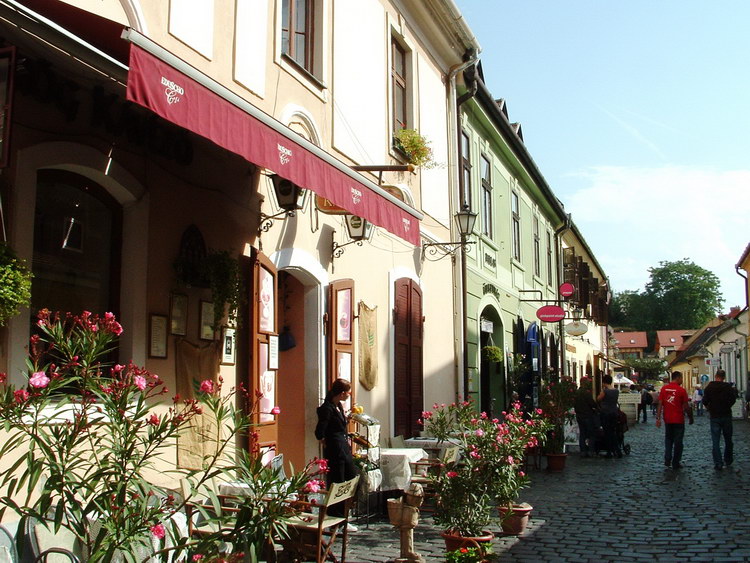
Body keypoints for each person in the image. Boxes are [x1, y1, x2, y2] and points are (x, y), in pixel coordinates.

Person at [315, 378, 357, 518]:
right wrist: (325, 440)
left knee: (351, 477)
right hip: (336, 450)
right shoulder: (327, 408)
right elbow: (319, 431)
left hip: (343, 449)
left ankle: (344, 512)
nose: (349, 395)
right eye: (348, 393)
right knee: (338, 482)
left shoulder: (338, 405)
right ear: (342, 393)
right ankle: (336, 515)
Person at [656, 371, 693, 470]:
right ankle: (676, 462)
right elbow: (686, 406)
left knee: (668, 439)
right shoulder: (681, 390)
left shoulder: (664, 389)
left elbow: (660, 404)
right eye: (681, 378)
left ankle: (667, 458)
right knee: (678, 442)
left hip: (667, 419)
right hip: (678, 419)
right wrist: (690, 417)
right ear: (678, 378)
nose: (682, 380)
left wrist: (658, 418)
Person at [702, 369, 736, 470]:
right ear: (724, 377)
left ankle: (718, 462)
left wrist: (709, 407)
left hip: (715, 416)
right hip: (726, 415)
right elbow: (733, 400)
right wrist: (727, 406)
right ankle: (728, 459)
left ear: (716, 376)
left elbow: (704, 400)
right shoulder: (728, 387)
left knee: (716, 441)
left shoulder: (710, 387)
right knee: (728, 439)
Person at [597, 374, 621, 458]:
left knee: (607, 432)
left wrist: (601, 392)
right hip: (614, 412)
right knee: (613, 431)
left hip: (606, 412)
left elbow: (598, 399)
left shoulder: (605, 391)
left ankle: (609, 451)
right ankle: (617, 449)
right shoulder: (616, 390)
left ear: (604, 382)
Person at [574, 378, 598, 458]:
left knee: (582, 434)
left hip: (579, 415)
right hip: (587, 416)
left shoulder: (576, 393)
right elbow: (592, 404)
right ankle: (591, 451)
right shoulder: (586, 393)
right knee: (591, 434)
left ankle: (583, 451)